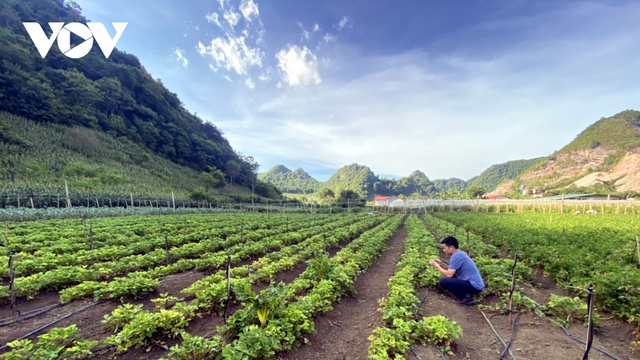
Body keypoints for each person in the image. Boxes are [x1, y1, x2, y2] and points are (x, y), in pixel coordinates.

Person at [429, 236, 484, 306]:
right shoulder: (460, 253)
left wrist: (436, 265)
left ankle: (466, 297)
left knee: (443, 281)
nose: (443, 250)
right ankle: (467, 295)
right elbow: (452, 269)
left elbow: (449, 275)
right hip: (473, 283)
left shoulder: (456, 256)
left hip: (475, 286)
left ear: (451, 247)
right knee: (451, 277)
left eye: (445, 248)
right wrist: (441, 264)